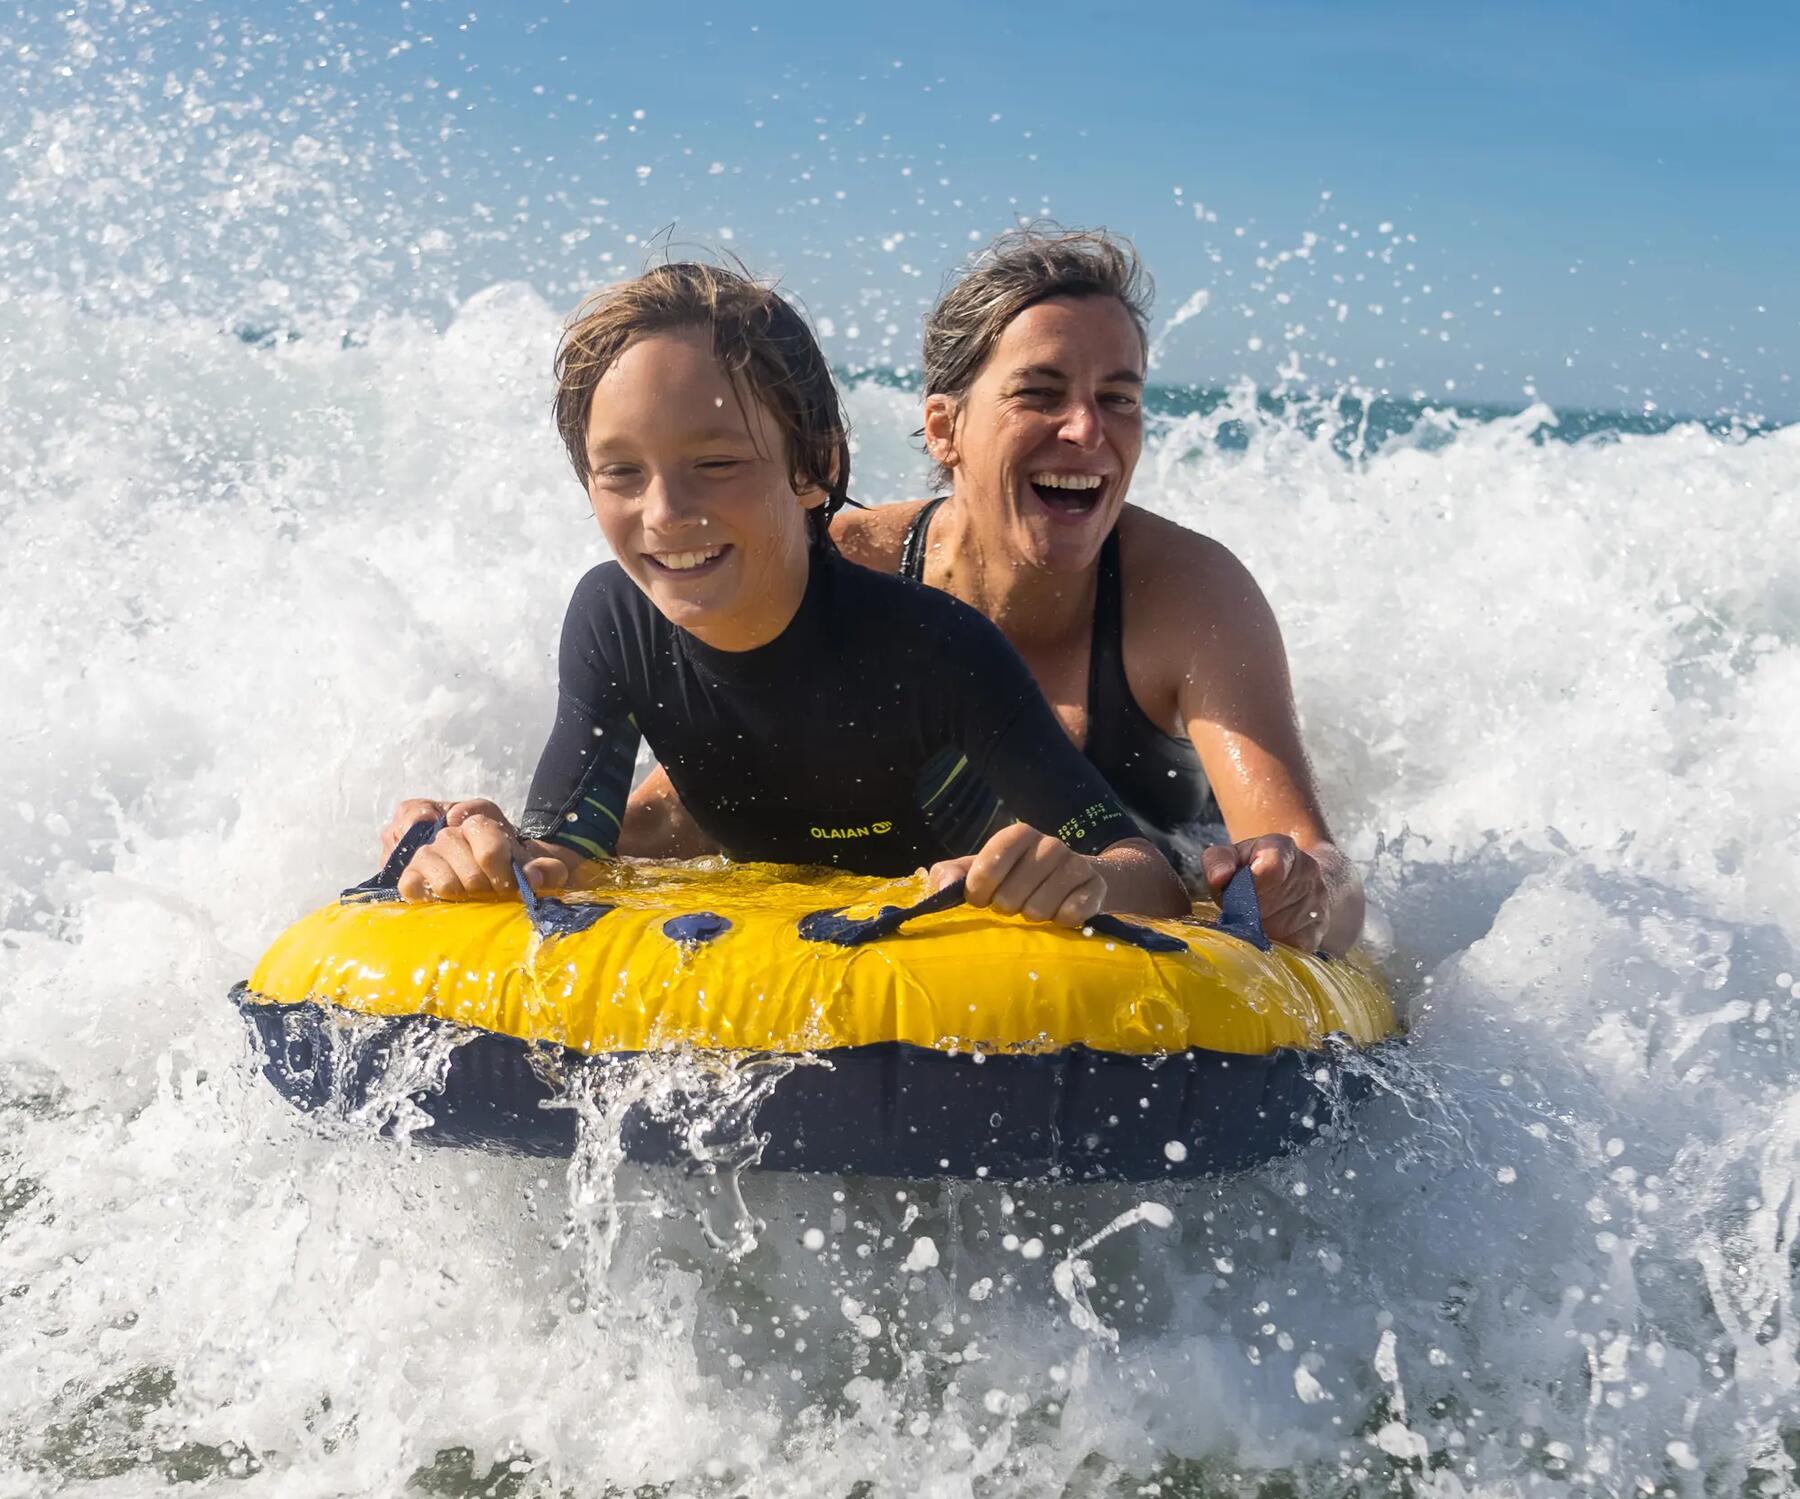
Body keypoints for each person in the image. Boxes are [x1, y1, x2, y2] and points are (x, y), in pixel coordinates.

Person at [620, 228, 1365, 956]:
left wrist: (1299, 886)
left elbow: (1314, 863)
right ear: (945, 428)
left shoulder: (1186, 596)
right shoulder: (843, 572)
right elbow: (693, 805)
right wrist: (533, 847)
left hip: (1155, 884)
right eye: (1040, 392)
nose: (1085, 429)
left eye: (1120, 398)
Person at [381, 261, 1187, 929]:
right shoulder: (614, 621)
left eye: (718, 462)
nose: (663, 513)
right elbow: (568, 852)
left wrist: (1086, 878)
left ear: (816, 469)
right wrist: (487, 850)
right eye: (621, 471)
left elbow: (1144, 867)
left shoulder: (936, 649)